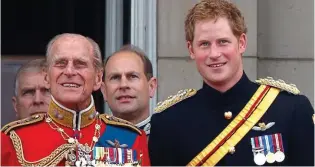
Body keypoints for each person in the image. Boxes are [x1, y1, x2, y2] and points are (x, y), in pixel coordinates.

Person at [149, 0, 314, 166]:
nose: (214, 53)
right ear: (191, 50)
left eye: (223, 42)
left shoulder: (291, 109)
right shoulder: (167, 123)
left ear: (241, 43)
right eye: (204, 44)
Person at [1, 33, 150, 166]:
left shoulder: (130, 138)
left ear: (98, 78)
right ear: (46, 77)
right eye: (61, 63)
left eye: (80, 64)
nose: (70, 71)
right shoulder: (13, 139)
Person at [101, 44, 157, 136]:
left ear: (151, 86)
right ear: (104, 91)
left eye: (132, 76)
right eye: (115, 77)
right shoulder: (93, 141)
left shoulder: (170, 137)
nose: (123, 85)